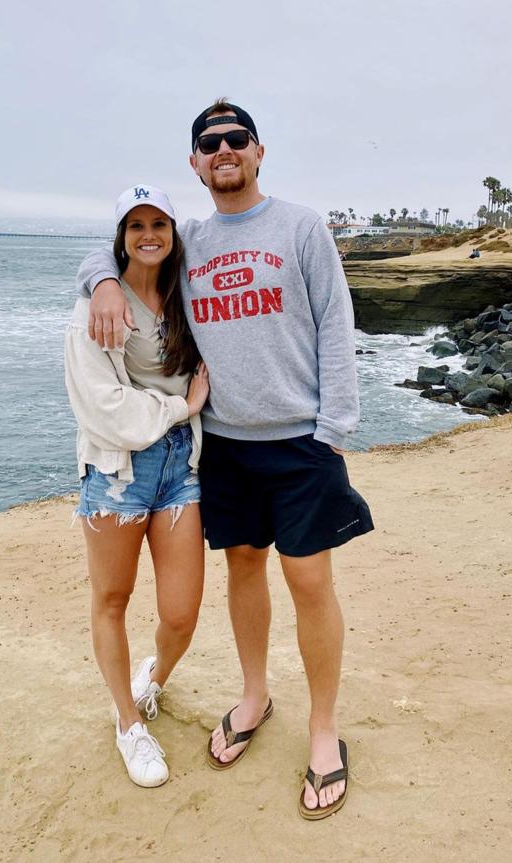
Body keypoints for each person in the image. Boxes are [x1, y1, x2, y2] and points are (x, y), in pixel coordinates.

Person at [77, 100, 373, 819]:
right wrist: (104, 281)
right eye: (210, 143)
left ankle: (325, 729)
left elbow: (337, 323)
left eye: (236, 138)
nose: (224, 150)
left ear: (259, 151)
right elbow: (113, 251)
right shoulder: (194, 239)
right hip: (227, 445)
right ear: (195, 163)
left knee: (309, 579)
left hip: (300, 440)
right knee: (244, 567)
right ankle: (254, 693)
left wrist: (334, 429)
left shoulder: (301, 226)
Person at [64, 185, 210, 789]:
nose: (148, 235)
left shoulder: (186, 291)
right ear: (120, 236)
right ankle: (127, 721)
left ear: (173, 232)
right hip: (119, 473)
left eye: (159, 224)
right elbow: (105, 412)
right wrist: (181, 406)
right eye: (135, 225)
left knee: (180, 614)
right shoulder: (95, 311)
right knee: (113, 601)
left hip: (181, 468)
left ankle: (150, 683)